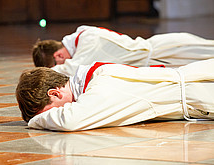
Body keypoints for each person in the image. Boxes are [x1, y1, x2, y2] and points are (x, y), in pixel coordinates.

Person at [16, 59, 214, 131]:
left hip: (204, 91)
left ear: (55, 93)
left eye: (47, 111)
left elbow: (71, 120)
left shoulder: (100, 85)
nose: (51, 115)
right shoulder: (92, 75)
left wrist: (35, 121)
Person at [32, 25, 214, 76]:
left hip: (168, 50)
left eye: (57, 64)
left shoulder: (88, 39)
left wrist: (40, 74)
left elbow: (73, 68)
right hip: (160, 58)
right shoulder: (82, 40)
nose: (62, 65)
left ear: (58, 55)